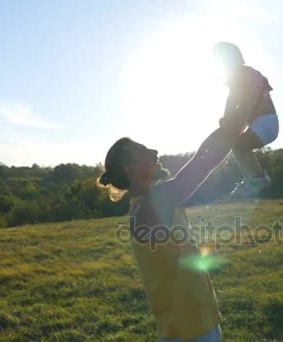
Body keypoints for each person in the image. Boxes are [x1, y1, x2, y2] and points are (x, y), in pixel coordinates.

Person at [98, 74, 268, 341]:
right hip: (189, 331)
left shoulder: (153, 202)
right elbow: (203, 162)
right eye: (144, 151)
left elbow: (204, 168)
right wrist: (243, 107)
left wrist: (236, 115)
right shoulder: (154, 205)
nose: (155, 152)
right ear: (131, 169)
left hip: (192, 323)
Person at [212, 41, 279, 198]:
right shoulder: (247, 73)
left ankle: (257, 179)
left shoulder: (240, 75)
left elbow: (234, 99)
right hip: (266, 122)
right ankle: (257, 178)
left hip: (265, 122)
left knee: (239, 146)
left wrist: (227, 118)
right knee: (240, 146)